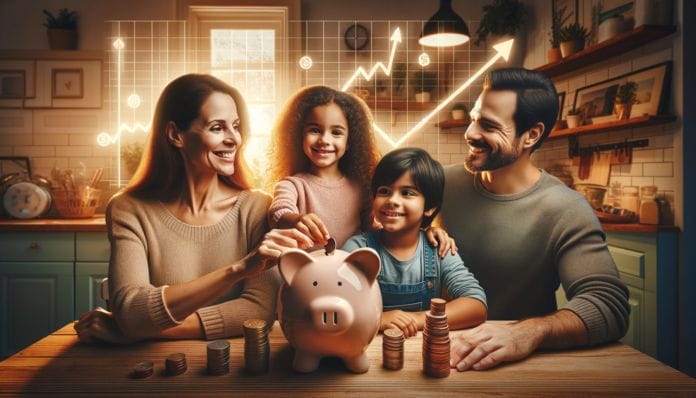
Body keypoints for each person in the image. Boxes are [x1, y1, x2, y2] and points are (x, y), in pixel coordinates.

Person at [74, 74, 313, 344]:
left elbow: (256, 312)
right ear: (176, 135)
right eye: (216, 127)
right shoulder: (128, 209)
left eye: (235, 126)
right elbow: (132, 311)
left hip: (236, 368)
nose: (234, 138)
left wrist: (136, 331)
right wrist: (238, 269)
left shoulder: (257, 208)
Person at [437, 68, 630, 371]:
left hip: (515, 367)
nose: (471, 133)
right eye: (474, 118)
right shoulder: (438, 184)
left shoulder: (565, 208)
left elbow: (608, 304)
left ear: (532, 135)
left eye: (488, 125)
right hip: (431, 352)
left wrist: (526, 332)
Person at [267, 85, 455, 255]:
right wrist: (296, 219)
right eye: (315, 130)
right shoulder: (292, 185)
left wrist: (423, 234)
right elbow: (279, 211)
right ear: (298, 135)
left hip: (354, 279)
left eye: (336, 132)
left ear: (349, 142)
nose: (324, 140)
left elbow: (380, 230)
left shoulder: (361, 187)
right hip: (308, 279)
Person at [342, 147, 487, 338]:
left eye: (407, 193)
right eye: (384, 191)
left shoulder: (439, 249)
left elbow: (476, 305)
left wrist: (416, 319)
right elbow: (339, 303)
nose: (393, 200)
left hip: (420, 352)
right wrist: (378, 319)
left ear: (429, 207)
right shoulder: (357, 248)